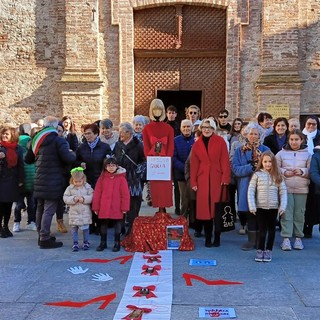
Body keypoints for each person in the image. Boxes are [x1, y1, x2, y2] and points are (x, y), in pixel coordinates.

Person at [25, 116, 76, 248]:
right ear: (55, 126)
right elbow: (68, 158)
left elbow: (28, 159)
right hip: (53, 180)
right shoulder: (58, 141)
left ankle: (41, 234)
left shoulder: (35, 140)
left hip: (39, 179)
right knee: (49, 209)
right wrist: (72, 153)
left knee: (40, 208)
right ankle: (45, 238)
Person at [190, 118, 230, 247]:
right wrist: (193, 181)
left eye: (209, 127)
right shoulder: (197, 144)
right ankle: (208, 237)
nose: (207, 130)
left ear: (213, 129)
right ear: (201, 129)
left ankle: (217, 236)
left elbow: (225, 160)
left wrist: (225, 178)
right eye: (204, 127)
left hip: (216, 178)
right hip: (202, 179)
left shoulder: (220, 142)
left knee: (216, 208)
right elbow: (194, 164)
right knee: (204, 210)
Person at [232, 122, 270, 250]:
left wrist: (259, 168)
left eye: (256, 134)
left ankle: (261, 241)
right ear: (246, 134)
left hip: (262, 187)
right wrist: (250, 167)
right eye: (251, 133)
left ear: (260, 135)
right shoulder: (239, 151)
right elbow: (236, 169)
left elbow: (271, 167)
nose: (253, 136)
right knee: (250, 213)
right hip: (246, 186)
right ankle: (251, 241)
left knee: (261, 213)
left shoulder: (265, 150)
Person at [248, 151, 287, 262]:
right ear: (261, 162)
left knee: (272, 230)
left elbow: (283, 192)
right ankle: (260, 249)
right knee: (262, 230)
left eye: (270, 162)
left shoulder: (278, 176)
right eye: (265, 162)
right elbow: (251, 191)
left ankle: (268, 250)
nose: (267, 164)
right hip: (260, 207)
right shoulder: (257, 175)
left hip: (273, 208)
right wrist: (252, 205)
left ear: (273, 162)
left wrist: (282, 206)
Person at [276, 130, 311, 251]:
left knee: (299, 213)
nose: (294, 142)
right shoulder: (281, 154)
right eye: (291, 139)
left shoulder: (307, 155)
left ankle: (298, 238)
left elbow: (311, 170)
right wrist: (284, 172)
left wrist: (302, 171)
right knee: (286, 213)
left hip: (302, 189)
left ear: (302, 140)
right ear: (288, 140)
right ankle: (286, 238)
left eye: (296, 139)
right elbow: (275, 168)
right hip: (286, 188)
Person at [76, 123, 111, 234]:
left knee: (99, 203)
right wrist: (80, 164)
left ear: (96, 133)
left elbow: (110, 163)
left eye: (89, 133)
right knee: (88, 203)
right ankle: (90, 225)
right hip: (86, 180)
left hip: (100, 179)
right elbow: (75, 161)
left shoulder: (104, 147)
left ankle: (100, 225)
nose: (87, 136)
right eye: (85, 134)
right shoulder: (81, 147)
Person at [113, 122, 146, 235]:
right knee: (120, 203)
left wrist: (139, 172)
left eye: (122, 132)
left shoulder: (139, 145)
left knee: (133, 204)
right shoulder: (118, 145)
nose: (120, 134)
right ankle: (121, 227)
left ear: (129, 133)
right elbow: (114, 157)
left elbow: (144, 161)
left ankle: (132, 229)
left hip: (134, 178)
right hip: (120, 177)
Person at [92, 157, 130, 252]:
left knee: (117, 224)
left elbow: (125, 194)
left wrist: (124, 207)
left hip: (116, 206)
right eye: (108, 166)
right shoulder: (102, 178)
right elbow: (97, 193)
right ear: (105, 167)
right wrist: (96, 207)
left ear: (117, 166)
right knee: (103, 224)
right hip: (104, 206)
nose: (111, 168)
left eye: (113, 165)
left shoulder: (121, 179)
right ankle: (103, 242)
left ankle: (117, 242)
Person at [143, 99, 174, 212]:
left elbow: (171, 146)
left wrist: (167, 160)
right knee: (155, 186)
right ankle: (157, 206)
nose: (157, 112)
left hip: (165, 162)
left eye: (159, 109)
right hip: (154, 162)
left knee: (165, 186)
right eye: (155, 109)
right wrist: (150, 159)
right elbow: (146, 146)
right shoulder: (147, 128)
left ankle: (164, 208)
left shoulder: (169, 128)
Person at [0, 125, 24, 238]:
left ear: (12, 136)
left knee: (9, 205)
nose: (4, 136)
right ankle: (0, 228)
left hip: (12, 181)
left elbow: (20, 165)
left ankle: (6, 226)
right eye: (3, 134)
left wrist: (21, 180)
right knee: (0, 206)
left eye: (7, 134)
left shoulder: (18, 149)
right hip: (1, 180)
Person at [13, 123, 37, 232]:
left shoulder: (16, 148)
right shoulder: (33, 144)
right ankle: (31, 222)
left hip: (20, 181)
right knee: (31, 204)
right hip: (32, 180)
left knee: (18, 204)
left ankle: (16, 223)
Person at [63, 167, 93, 251]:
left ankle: (86, 242)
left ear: (83, 180)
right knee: (74, 229)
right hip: (74, 213)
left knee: (86, 229)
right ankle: (75, 243)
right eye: (75, 182)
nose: (77, 183)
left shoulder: (87, 187)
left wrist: (84, 199)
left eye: (79, 181)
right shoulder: (69, 188)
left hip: (85, 213)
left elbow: (92, 196)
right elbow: (65, 198)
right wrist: (73, 199)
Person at [302, 115, 320, 237]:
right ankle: (303, 227)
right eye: (309, 123)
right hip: (301, 173)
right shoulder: (300, 135)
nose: (311, 126)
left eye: (314, 124)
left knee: (313, 203)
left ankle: (310, 226)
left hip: (315, 173)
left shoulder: (319, 137)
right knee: (303, 203)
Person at [173, 119, 194, 218]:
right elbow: (173, 157)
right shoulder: (175, 140)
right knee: (184, 199)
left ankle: (193, 221)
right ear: (181, 128)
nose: (186, 129)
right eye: (184, 127)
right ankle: (183, 219)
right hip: (181, 174)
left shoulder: (196, 139)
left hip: (194, 174)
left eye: (188, 126)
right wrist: (185, 168)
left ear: (192, 128)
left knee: (193, 198)